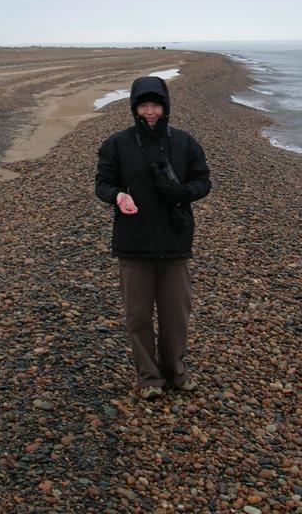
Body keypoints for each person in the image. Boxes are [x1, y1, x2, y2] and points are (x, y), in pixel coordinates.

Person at [95, 75, 211, 400]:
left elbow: (203, 180)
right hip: (134, 243)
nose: (150, 112)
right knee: (138, 315)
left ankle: (176, 371)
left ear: (165, 106)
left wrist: (183, 192)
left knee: (176, 314)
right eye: (144, 105)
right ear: (134, 107)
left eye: (155, 105)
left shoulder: (184, 143)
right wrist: (118, 196)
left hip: (175, 243)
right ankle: (148, 377)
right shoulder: (117, 144)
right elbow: (102, 183)